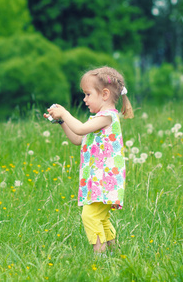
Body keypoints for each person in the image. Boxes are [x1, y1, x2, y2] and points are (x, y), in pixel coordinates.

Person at [44, 66, 133, 254]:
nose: (84, 99)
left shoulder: (107, 117)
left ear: (105, 94)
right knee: (100, 218)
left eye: (87, 94)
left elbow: (81, 129)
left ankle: (99, 260)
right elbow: (78, 138)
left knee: (90, 216)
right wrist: (61, 121)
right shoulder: (98, 119)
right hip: (97, 182)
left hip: (104, 181)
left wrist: (64, 113)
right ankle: (115, 253)